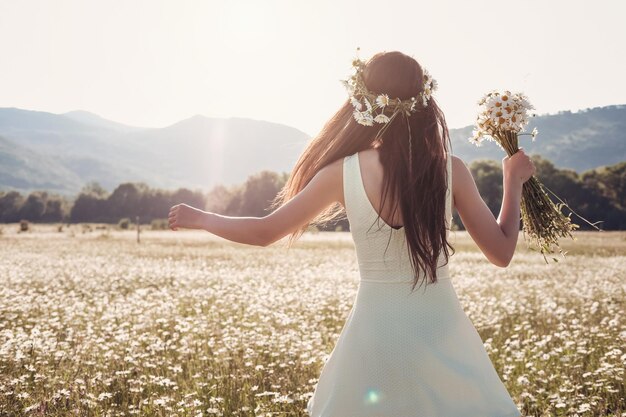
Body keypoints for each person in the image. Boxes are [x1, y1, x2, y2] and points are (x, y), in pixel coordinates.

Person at [168, 51, 534, 417]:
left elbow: (265, 232)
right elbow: (501, 252)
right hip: (441, 330)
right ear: (425, 101)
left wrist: (203, 218)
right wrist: (512, 181)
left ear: (363, 102)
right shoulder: (450, 170)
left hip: (373, 336)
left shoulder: (342, 172)